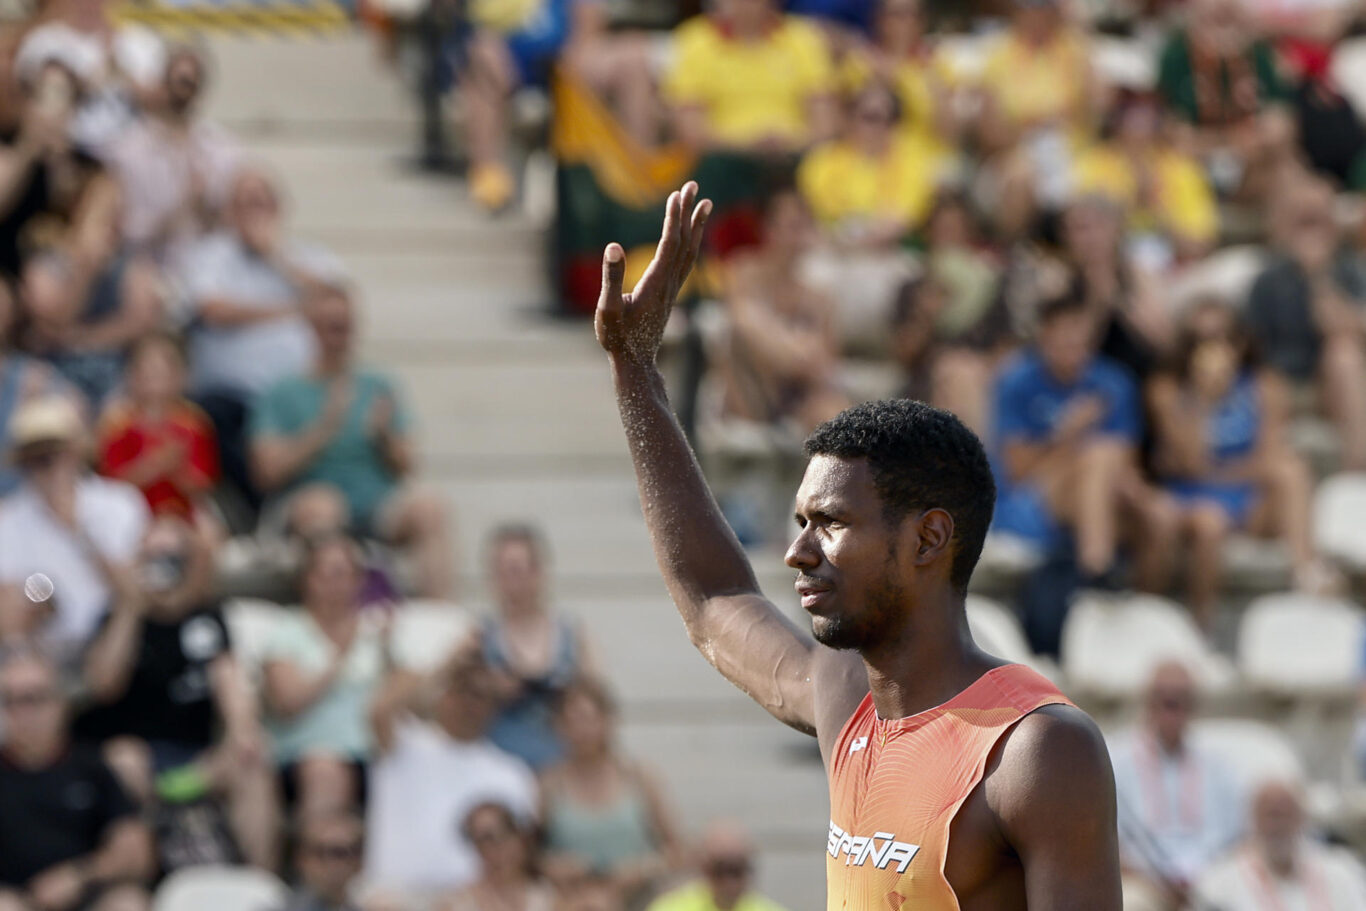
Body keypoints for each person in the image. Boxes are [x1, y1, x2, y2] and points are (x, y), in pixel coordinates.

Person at [594, 181, 1120, 907]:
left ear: (929, 538)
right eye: (801, 521)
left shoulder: (1036, 750)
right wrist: (636, 373)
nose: (798, 551)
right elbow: (714, 598)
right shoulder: (848, 693)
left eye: (830, 524)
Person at [75, 515, 278, 870]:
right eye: (152, 558)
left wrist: (243, 733)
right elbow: (103, 685)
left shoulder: (207, 618)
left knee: (253, 759)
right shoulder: (117, 616)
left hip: (193, 758)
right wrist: (131, 607)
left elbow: (230, 684)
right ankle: (151, 870)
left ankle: (260, 881)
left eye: (172, 558)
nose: (163, 569)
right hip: (135, 757)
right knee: (124, 760)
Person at [249, 281, 454, 599]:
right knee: (323, 507)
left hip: (376, 503)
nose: (340, 335)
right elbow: (266, 472)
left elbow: (407, 465)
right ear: (312, 327)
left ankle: (441, 618)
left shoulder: (379, 384)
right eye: (332, 326)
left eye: (345, 325)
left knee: (430, 508)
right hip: (312, 501)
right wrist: (323, 428)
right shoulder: (283, 390)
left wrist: (384, 437)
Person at [1147, 300, 1333, 627]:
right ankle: (1200, 625)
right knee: (1210, 523)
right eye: (1198, 341)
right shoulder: (1166, 389)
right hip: (1193, 500)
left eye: (1222, 338)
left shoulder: (1265, 385)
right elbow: (1190, 463)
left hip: (1248, 502)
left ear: (1240, 342)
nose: (1211, 349)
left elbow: (1269, 458)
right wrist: (1203, 400)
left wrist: (1217, 470)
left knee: (1292, 469)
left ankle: (1307, 571)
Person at [178, 167, 341, 505]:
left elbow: (336, 301)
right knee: (206, 420)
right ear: (229, 211)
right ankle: (254, 515)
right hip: (229, 395)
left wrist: (275, 256)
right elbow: (212, 309)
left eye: (261, 202)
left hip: (294, 394)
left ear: (279, 208)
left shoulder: (308, 256)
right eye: (244, 203)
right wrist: (292, 311)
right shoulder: (209, 255)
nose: (254, 212)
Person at [991, 291, 1174, 587]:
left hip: (1106, 489)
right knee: (1099, 455)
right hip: (1038, 493)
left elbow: (1126, 461)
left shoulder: (1114, 382)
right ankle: (1096, 568)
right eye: (1064, 342)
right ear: (1044, 338)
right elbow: (1019, 472)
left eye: (1081, 343)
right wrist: (1066, 434)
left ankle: (1141, 607)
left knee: (1160, 516)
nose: (1074, 352)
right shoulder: (1016, 381)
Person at [365, 659, 538, 900]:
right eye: (461, 690)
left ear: (494, 707)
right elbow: (380, 709)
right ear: (444, 694)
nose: (468, 702)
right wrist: (449, 663)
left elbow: (522, 849)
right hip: (396, 897)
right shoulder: (404, 743)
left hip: (471, 901)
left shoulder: (512, 773)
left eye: (480, 695)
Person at [261, 532, 407, 812]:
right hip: (308, 754)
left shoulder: (376, 630)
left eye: (341, 574)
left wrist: (391, 653)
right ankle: (324, 854)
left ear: (358, 580)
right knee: (325, 770)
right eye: (323, 574)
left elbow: (400, 700)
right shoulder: (286, 631)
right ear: (306, 579)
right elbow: (288, 702)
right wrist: (340, 654)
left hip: (371, 752)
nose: (333, 584)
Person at [0, 648, 155, 911]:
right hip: (14, 897)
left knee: (128, 903)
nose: (21, 713)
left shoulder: (91, 766)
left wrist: (79, 874)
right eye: (9, 700)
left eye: (33, 699)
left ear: (61, 702)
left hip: (87, 896)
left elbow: (138, 854)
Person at [0, 394, 149, 661]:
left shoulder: (119, 502)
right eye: (35, 458)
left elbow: (133, 591)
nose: (46, 467)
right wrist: (37, 605)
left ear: (75, 452)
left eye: (53, 454)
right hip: (46, 655)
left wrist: (77, 530)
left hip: (120, 641)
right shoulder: (7, 519)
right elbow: (11, 613)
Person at [1246, 174, 1366, 470]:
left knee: (1343, 353)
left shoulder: (1350, 269)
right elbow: (1252, 344)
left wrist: (1319, 277)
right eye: (1304, 218)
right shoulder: (1268, 278)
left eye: (1319, 216)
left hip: (1338, 376)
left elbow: (1346, 326)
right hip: (1283, 379)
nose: (1313, 228)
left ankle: (1358, 465)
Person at [710, 188, 848, 433]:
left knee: (834, 411)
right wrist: (794, 350)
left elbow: (824, 364)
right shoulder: (744, 271)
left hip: (801, 399)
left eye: (806, 226)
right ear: (769, 230)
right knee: (737, 333)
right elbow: (749, 327)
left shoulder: (817, 294)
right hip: (754, 393)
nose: (801, 235)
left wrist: (794, 353)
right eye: (793, 226)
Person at [1109, 661, 1242, 911]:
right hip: (1142, 884)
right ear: (1147, 703)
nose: (1172, 709)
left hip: (1211, 884)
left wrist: (1208, 881)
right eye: (1164, 700)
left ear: (1194, 707)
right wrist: (1152, 883)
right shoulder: (1116, 760)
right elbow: (1108, 842)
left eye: (1180, 701)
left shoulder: (1218, 767)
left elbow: (1238, 838)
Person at [540, 678, 681, 906]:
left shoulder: (640, 778)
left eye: (588, 719)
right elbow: (526, 858)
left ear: (607, 721)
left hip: (639, 900)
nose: (581, 730)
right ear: (559, 727)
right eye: (571, 721)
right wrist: (553, 866)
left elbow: (679, 852)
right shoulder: (548, 785)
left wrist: (643, 868)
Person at [103, 43, 239, 267]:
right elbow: (126, 231)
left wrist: (208, 209)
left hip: (209, 270)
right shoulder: (128, 149)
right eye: (179, 81)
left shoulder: (221, 149)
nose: (183, 92)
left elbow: (232, 225)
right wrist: (179, 211)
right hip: (147, 268)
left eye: (190, 84)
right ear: (161, 83)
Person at [478, 524, 595, 770]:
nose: (513, 582)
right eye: (504, 572)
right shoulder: (478, 635)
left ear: (539, 572)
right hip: (497, 766)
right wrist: (487, 689)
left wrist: (567, 695)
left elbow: (594, 700)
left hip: (561, 766)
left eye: (519, 571)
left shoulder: (571, 634)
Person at [1156, 0, 1296, 201]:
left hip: (1254, 169)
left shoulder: (1259, 55)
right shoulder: (1176, 55)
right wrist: (1233, 142)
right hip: (1192, 167)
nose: (1223, 6)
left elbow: (1279, 128)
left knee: (1288, 173)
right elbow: (1173, 133)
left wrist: (1214, 142)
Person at [662, 0, 837, 156]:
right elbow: (691, 130)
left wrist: (789, 143)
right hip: (724, 157)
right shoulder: (695, 40)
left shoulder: (802, 38)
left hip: (794, 155)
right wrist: (748, 145)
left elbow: (825, 123)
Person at [96, 331, 219, 525]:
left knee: (209, 532)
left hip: (184, 516)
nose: (154, 377)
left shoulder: (194, 423)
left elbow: (203, 484)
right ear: (131, 374)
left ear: (181, 375)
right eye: (146, 369)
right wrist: (155, 466)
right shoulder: (116, 423)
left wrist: (177, 469)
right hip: (129, 516)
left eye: (163, 369)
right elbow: (110, 485)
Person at [1195, 779, 1366, 911]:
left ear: (1302, 818)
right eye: (1270, 815)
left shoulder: (1342, 872)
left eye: (1285, 814)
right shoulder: (1219, 883)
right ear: (1252, 821)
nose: (1277, 826)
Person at [645, 822, 788, 911]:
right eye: (720, 869)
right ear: (703, 868)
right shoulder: (670, 908)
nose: (729, 882)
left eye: (737, 870)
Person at [443, 802, 556, 911]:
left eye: (506, 830)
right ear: (475, 847)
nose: (499, 846)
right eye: (486, 838)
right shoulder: (458, 903)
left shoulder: (552, 894)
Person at [281, 807, 366, 911]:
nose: (333, 864)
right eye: (320, 852)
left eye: (341, 853)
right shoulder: (277, 905)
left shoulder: (378, 905)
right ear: (300, 858)